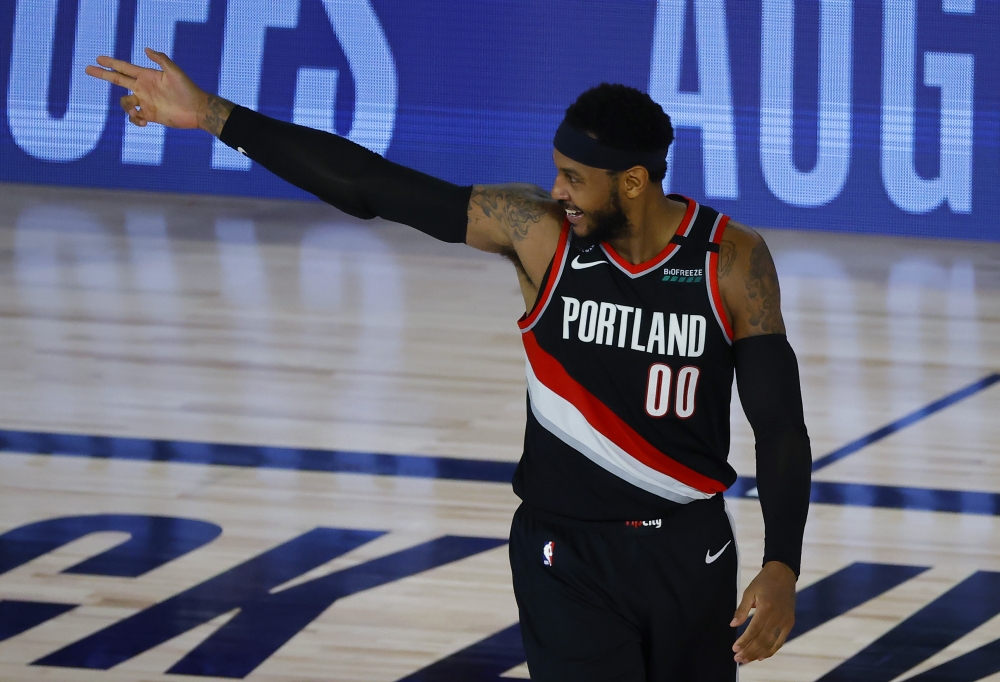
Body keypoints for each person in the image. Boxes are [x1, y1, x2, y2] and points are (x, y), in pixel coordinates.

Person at [86, 49, 812, 682]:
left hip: (690, 550)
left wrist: (782, 564)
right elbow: (370, 186)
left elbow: (779, 426)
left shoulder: (730, 263)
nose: (556, 191)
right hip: (566, 553)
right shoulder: (537, 236)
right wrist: (213, 114)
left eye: (572, 177)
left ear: (631, 182)